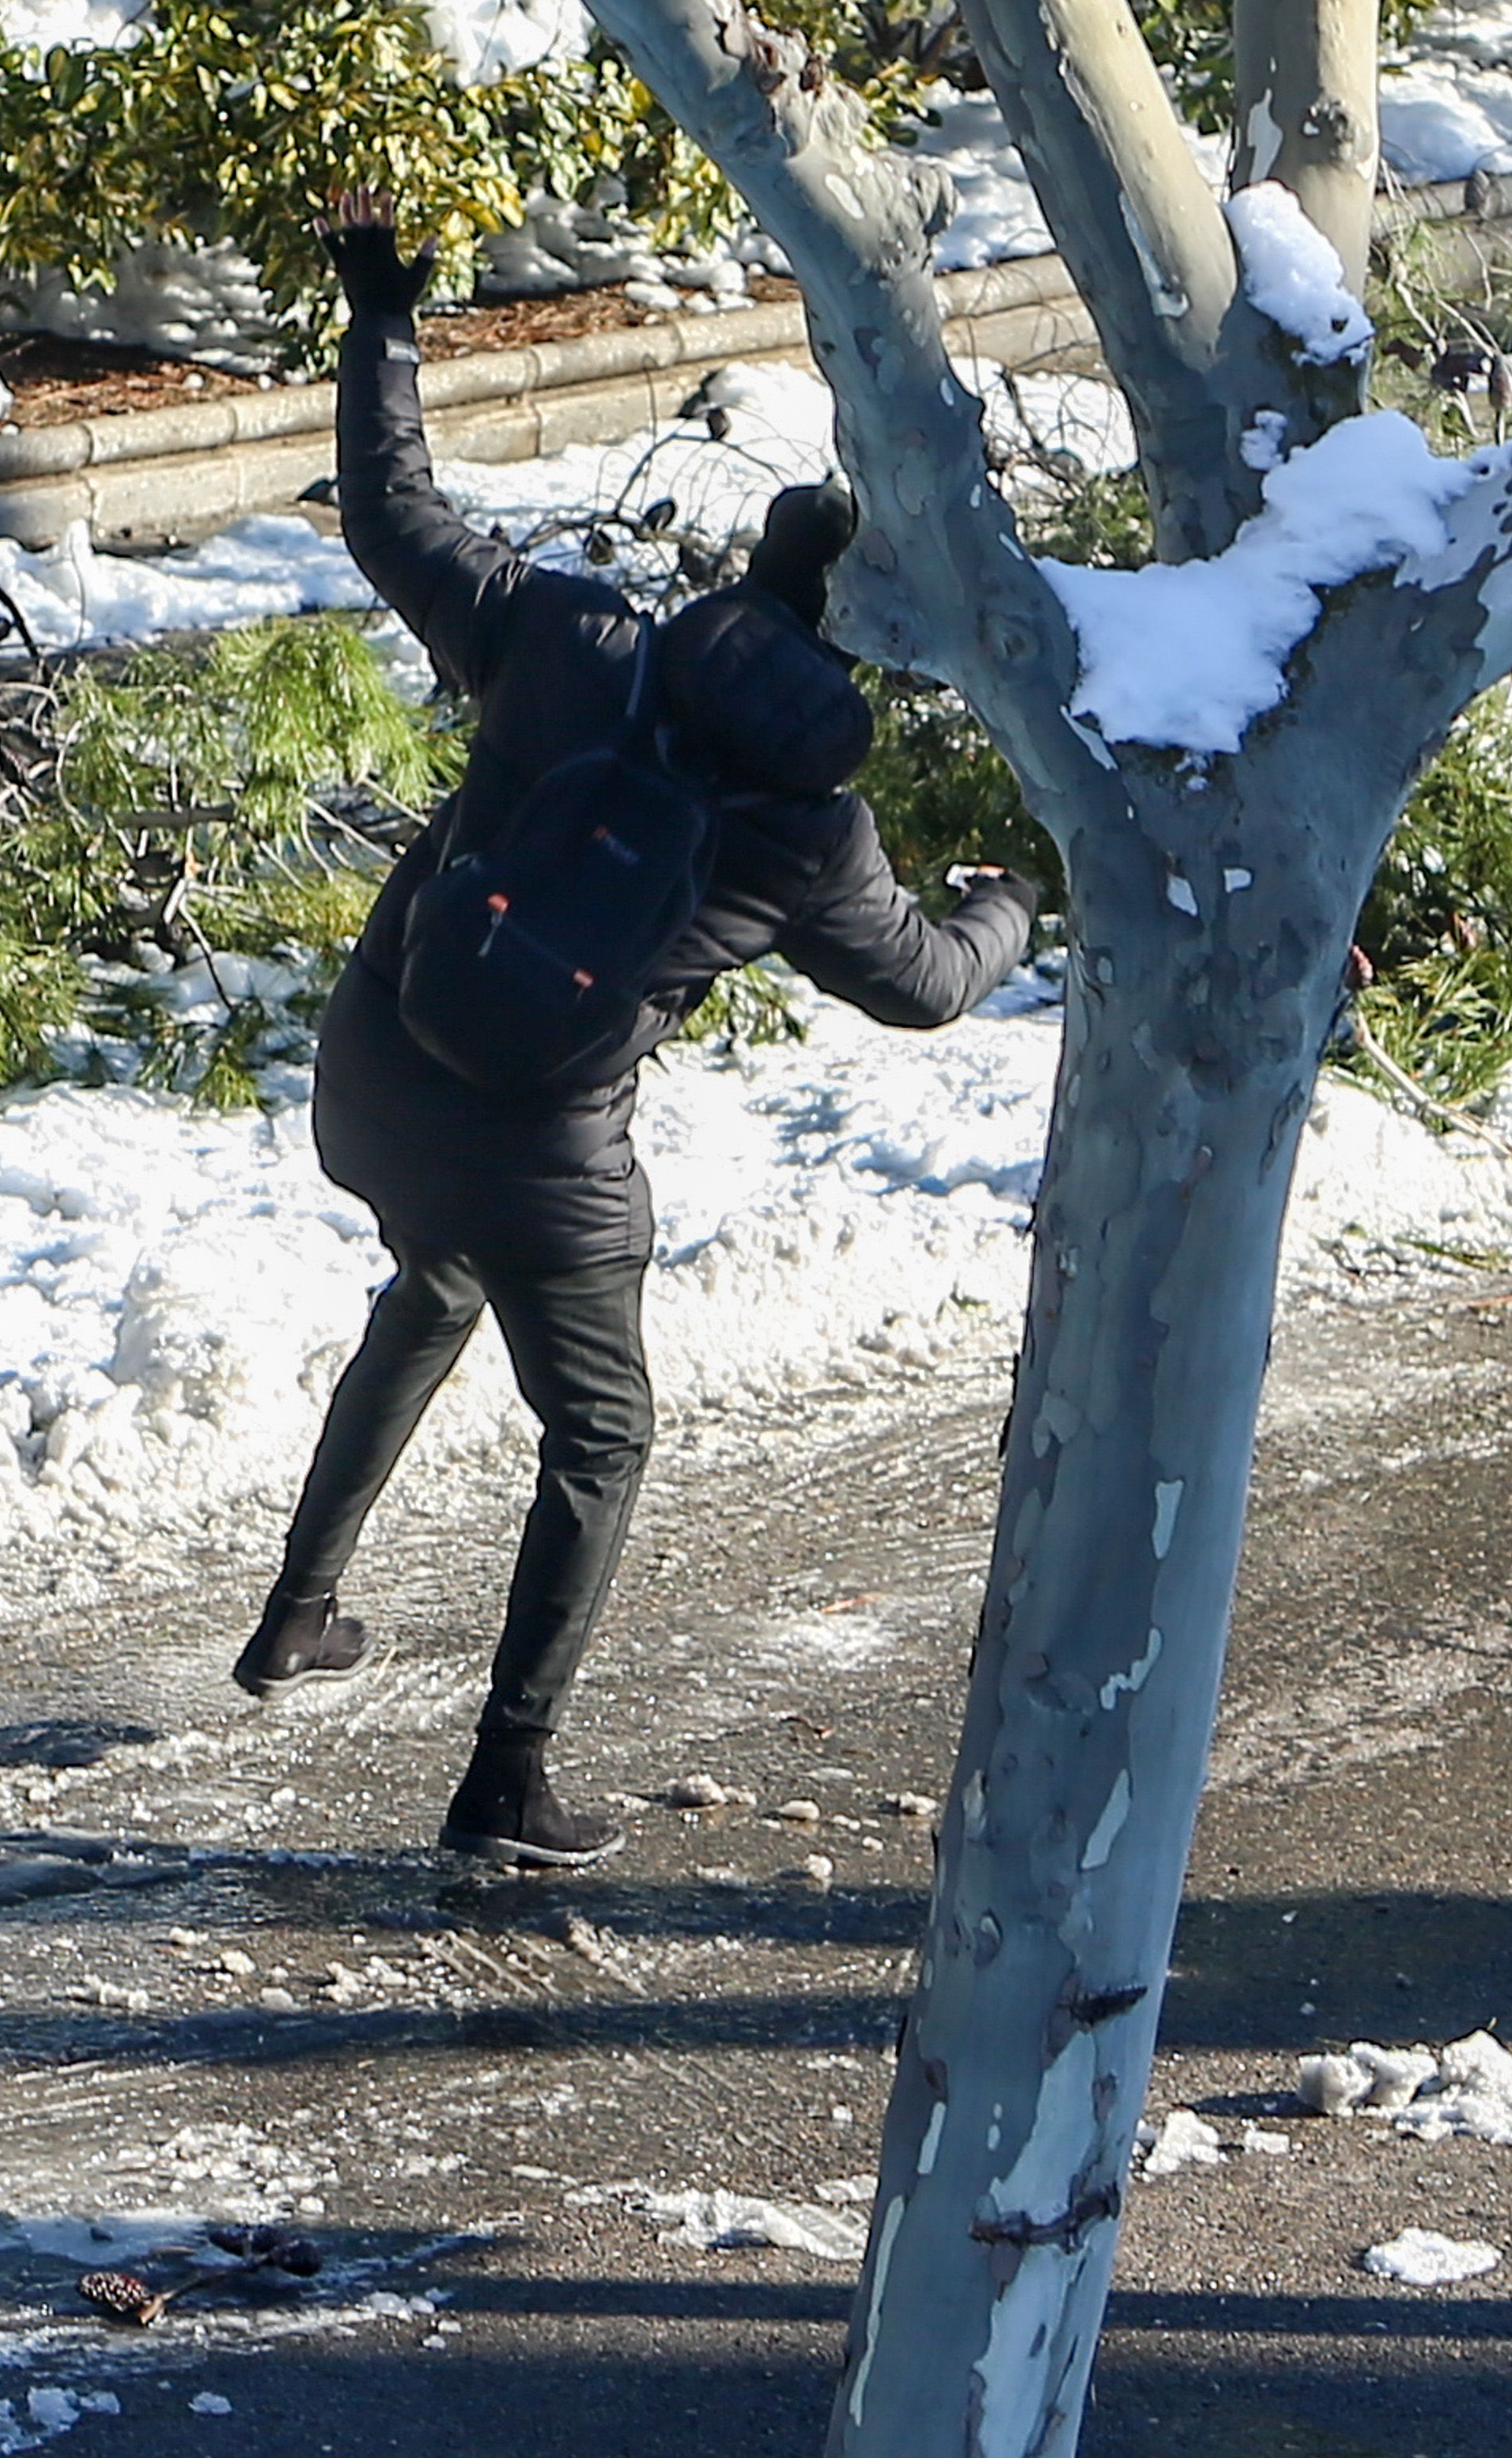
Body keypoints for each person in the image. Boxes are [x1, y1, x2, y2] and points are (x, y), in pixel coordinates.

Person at [236, 195, 1039, 1870]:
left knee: (432, 1279)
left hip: (377, 1074)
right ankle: (507, 1781)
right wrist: (1010, 904)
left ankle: (302, 1610)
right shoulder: (802, 835)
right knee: (601, 1437)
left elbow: (391, 508)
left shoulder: (571, 643)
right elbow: (925, 984)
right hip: (546, 1160)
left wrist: (382, 309)